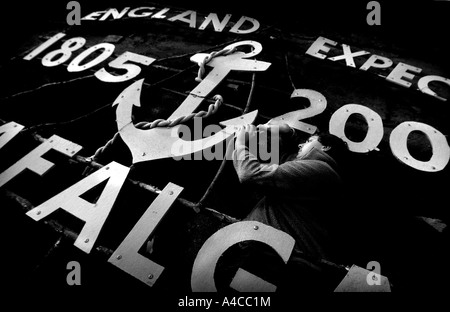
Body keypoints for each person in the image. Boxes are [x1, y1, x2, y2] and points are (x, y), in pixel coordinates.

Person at [229, 122, 351, 292]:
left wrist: (241, 143)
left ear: (325, 148)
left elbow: (249, 173)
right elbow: (288, 158)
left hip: (279, 262)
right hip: (280, 260)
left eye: (309, 140)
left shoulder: (321, 170)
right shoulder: (318, 173)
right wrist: (288, 132)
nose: (301, 144)